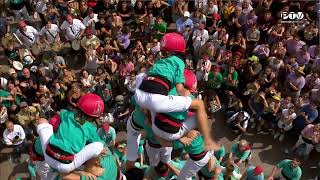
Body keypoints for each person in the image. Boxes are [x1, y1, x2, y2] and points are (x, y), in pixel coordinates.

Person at [134, 33, 216, 150]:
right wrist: (191, 97)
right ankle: (204, 140)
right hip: (165, 123)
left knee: (152, 109)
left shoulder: (159, 62)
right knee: (199, 107)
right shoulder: (179, 62)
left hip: (141, 96)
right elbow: (180, 89)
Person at [36, 93, 105, 173]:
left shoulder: (67, 114)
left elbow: (61, 111)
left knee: (42, 121)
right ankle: (89, 169)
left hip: (48, 154)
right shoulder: (91, 128)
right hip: (65, 166)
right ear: (95, 117)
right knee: (99, 146)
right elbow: (98, 142)